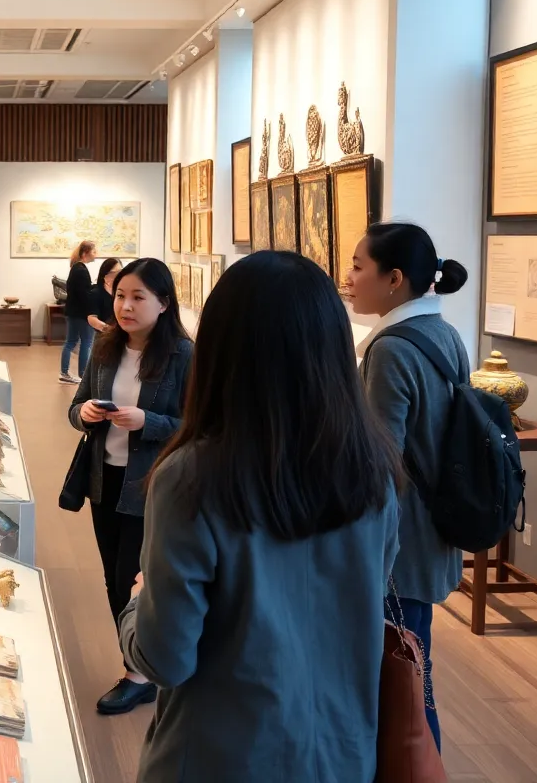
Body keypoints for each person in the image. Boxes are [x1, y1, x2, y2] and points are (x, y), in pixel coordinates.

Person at [120, 251, 401, 782]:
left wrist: (137, 604)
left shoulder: (191, 476)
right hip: (341, 755)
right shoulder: (373, 471)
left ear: (221, 348)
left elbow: (164, 659)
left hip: (220, 759)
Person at [347, 221, 470, 752]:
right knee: (414, 677)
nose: (349, 277)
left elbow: (379, 463)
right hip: (432, 531)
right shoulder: (444, 333)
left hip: (399, 545)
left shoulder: (392, 349)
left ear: (394, 279)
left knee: (404, 688)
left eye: (358, 266)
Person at [67, 258, 192, 715]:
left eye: (139, 297)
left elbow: (199, 427)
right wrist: (84, 415)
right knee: (111, 576)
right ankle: (137, 662)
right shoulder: (106, 346)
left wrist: (149, 421)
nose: (125, 306)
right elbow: (76, 406)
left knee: (134, 576)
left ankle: (140, 675)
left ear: (164, 303)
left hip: (151, 484)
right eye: (120, 295)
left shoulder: (183, 354)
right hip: (105, 478)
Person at [61, 240, 97, 384]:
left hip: (73, 312)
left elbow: (81, 291)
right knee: (86, 342)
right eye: (94, 251)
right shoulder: (81, 270)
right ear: (85, 253)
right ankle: (83, 376)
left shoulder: (77, 268)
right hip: (81, 313)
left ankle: (64, 372)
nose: (96, 254)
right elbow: (84, 295)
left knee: (70, 342)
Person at [87, 257, 122, 332]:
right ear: (104, 276)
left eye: (120, 272)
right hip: (105, 335)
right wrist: (108, 329)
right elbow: (92, 318)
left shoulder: (124, 291)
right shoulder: (96, 293)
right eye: (112, 273)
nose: (117, 276)